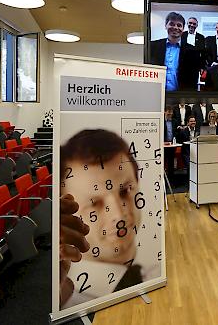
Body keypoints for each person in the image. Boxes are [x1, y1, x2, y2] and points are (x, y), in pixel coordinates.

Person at [58, 129, 159, 308]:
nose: (119, 216)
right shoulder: (64, 301)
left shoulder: (159, 267)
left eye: (125, 191)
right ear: (66, 210)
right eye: (94, 203)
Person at [149, 12, 199, 91]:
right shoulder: (152, 46)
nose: (175, 27)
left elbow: (193, 81)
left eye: (179, 25)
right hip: (154, 94)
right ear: (166, 26)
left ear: (183, 29)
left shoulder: (192, 51)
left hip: (180, 99)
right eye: (172, 24)